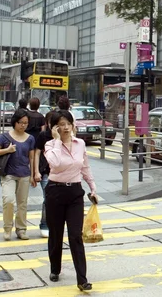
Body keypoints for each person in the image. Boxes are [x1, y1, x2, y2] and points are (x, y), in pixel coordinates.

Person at [44, 110, 97, 291]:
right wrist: (58, 140)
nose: (65, 127)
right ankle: (55, 268)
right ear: (55, 127)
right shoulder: (50, 145)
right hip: (55, 192)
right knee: (56, 234)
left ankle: (82, 279)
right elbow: (56, 164)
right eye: (61, 124)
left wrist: (93, 188)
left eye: (68, 123)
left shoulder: (80, 143)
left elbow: (85, 167)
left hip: (75, 192)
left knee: (75, 236)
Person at [0, 109, 36, 241]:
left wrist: (33, 175)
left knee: (22, 203)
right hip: (8, 175)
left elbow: (32, 158)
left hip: (24, 175)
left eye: (26, 123)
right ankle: (7, 228)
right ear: (15, 122)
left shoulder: (30, 139)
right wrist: (8, 150)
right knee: (8, 200)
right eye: (21, 122)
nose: (23, 125)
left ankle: (21, 229)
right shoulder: (5, 137)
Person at [34, 111, 54, 238]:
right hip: (46, 171)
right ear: (47, 123)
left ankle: (55, 224)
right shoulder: (43, 135)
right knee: (48, 199)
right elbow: (36, 153)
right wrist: (36, 171)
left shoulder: (64, 136)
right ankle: (44, 224)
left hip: (61, 173)